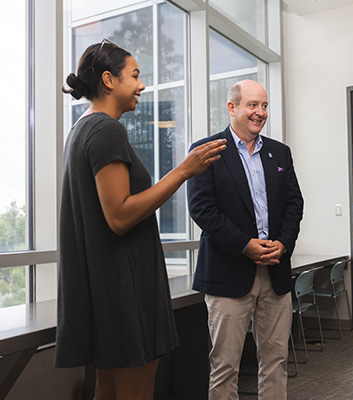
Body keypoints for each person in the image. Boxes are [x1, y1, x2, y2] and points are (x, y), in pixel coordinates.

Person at [55, 39, 226, 399]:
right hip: (124, 288)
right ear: (108, 80)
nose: (141, 85)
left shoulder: (82, 130)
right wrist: (183, 171)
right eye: (134, 75)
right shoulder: (105, 130)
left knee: (108, 388)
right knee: (136, 390)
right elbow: (119, 216)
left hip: (107, 287)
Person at [187, 79, 303, 399]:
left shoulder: (279, 152)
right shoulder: (206, 151)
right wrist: (245, 246)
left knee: (276, 361)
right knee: (225, 366)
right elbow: (202, 210)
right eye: (253, 105)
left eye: (264, 106)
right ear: (232, 107)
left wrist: (284, 242)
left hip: (275, 270)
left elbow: (295, 204)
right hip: (228, 273)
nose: (260, 112)